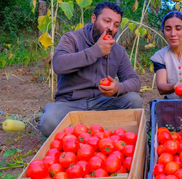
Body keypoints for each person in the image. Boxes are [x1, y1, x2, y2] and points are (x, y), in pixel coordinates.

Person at [39, 2, 142, 137]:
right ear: (94, 19)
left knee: (134, 100)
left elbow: (135, 81)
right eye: (107, 21)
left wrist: (118, 88)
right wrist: (96, 51)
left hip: (102, 104)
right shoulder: (72, 39)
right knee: (48, 121)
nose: (111, 28)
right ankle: (99, 130)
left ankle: (83, 131)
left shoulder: (118, 51)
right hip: (71, 105)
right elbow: (58, 64)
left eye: (116, 25)